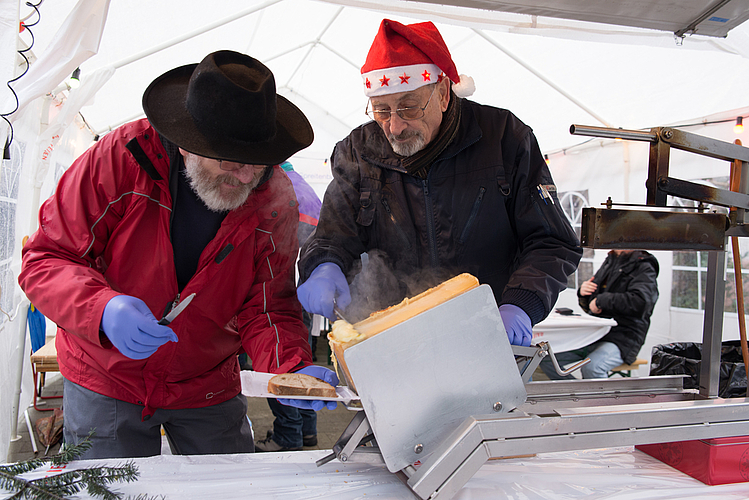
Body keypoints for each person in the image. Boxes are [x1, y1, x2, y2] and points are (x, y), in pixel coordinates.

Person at [18, 51, 338, 460]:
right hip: (106, 375)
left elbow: (269, 305)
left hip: (208, 383)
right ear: (188, 144)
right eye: (230, 162)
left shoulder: (271, 198)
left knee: (228, 490)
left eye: (256, 165)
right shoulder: (120, 160)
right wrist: (102, 309)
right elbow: (47, 258)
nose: (244, 177)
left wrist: (291, 367)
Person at [296, 19, 582, 344]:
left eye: (409, 107)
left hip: (486, 332)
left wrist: (522, 303)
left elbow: (551, 241)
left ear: (443, 92)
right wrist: (322, 265)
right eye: (381, 110)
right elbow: (332, 236)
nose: (395, 126)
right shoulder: (357, 151)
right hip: (393, 337)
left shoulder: (505, 139)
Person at [255, 161, 322, 452]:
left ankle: (288, 435)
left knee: (278, 362)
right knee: (302, 360)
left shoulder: (275, 187)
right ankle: (307, 430)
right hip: (306, 290)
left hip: (281, 291)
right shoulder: (305, 187)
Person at [540, 249, 659, 380]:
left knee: (593, 368)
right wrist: (584, 293)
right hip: (595, 334)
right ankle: (578, 394)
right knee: (546, 359)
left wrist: (601, 301)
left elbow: (641, 302)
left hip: (623, 337)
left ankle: (597, 399)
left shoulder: (643, 265)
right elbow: (592, 302)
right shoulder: (611, 260)